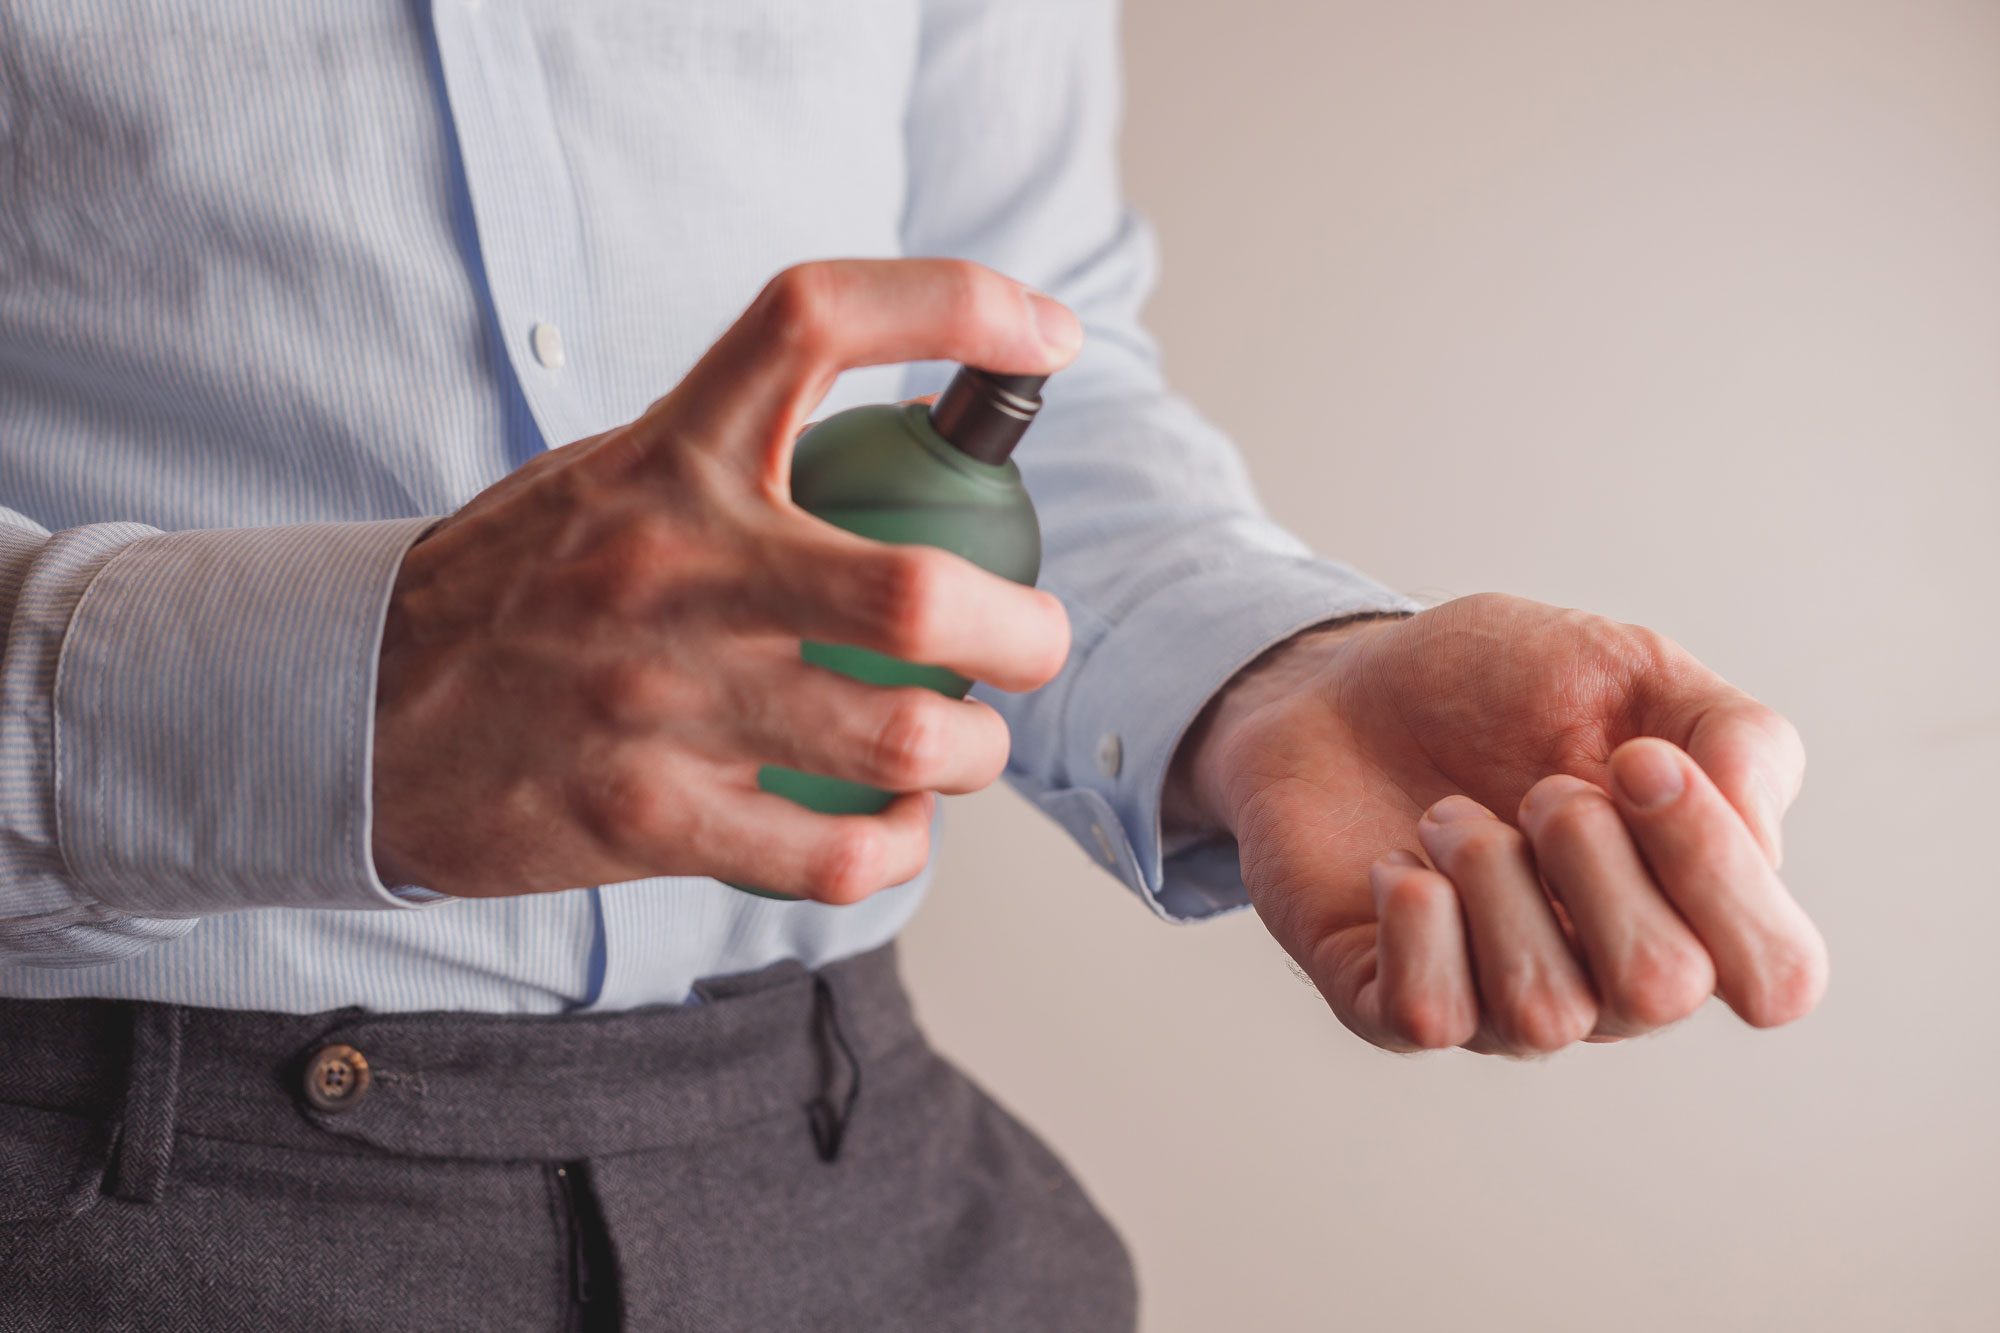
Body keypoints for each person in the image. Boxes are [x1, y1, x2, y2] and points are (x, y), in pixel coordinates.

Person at [0, 3, 1826, 1329]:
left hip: (859, 1168)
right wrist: (330, 698)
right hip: (97, 1182)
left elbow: (1020, 363)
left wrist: (1281, 678)